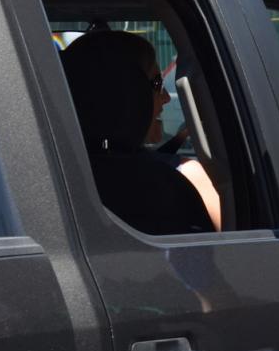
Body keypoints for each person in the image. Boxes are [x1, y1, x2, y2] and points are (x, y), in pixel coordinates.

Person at [61, 30, 219, 235]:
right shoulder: (180, 181)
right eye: (156, 84)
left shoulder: (54, 178)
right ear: (126, 93)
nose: (166, 98)